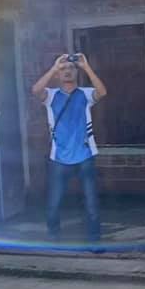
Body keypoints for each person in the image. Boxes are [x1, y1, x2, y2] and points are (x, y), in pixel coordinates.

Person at [31, 53, 107, 241]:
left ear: (76, 72)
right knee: (54, 202)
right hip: (59, 157)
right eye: (63, 69)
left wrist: (86, 66)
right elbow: (36, 90)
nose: (67, 72)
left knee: (91, 202)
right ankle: (54, 237)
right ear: (58, 74)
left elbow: (102, 92)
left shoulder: (85, 94)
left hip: (85, 155)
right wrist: (53, 68)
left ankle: (94, 240)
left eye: (71, 68)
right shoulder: (51, 96)